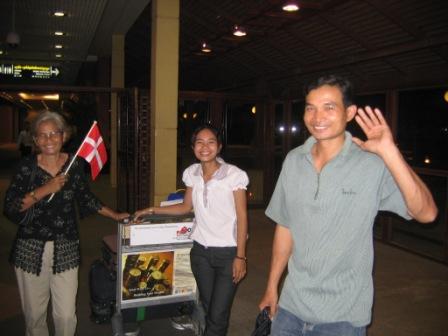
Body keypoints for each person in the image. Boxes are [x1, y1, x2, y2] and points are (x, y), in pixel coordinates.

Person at [258, 75, 438, 336]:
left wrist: (390, 152)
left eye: (329, 107)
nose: (317, 117)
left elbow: (427, 213)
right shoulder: (294, 160)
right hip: (290, 307)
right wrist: (272, 286)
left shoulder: (371, 164)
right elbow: (286, 226)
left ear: (350, 112)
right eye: (311, 108)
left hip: (343, 317)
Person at [4, 111, 129, 336]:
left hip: (66, 246)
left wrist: (115, 215)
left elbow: (86, 197)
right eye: (42, 135)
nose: (49, 139)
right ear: (35, 140)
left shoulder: (73, 166)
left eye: (54, 133)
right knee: (34, 315)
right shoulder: (26, 167)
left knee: (66, 315)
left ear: (64, 136)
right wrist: (45, 189)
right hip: (31, 248)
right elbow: (11, 207)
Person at [134, 124, 249, 336]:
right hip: (200, 253)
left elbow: (242, 217)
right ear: (193, 147)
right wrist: (151, 209)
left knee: (218, 314)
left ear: (219, 146)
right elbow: (186, 207)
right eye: (199, 142)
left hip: (228, 253)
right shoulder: (192, 174)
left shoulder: (234, 175)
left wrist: (240, 256)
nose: (205, 147)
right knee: (208, 307)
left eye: (211, 142)